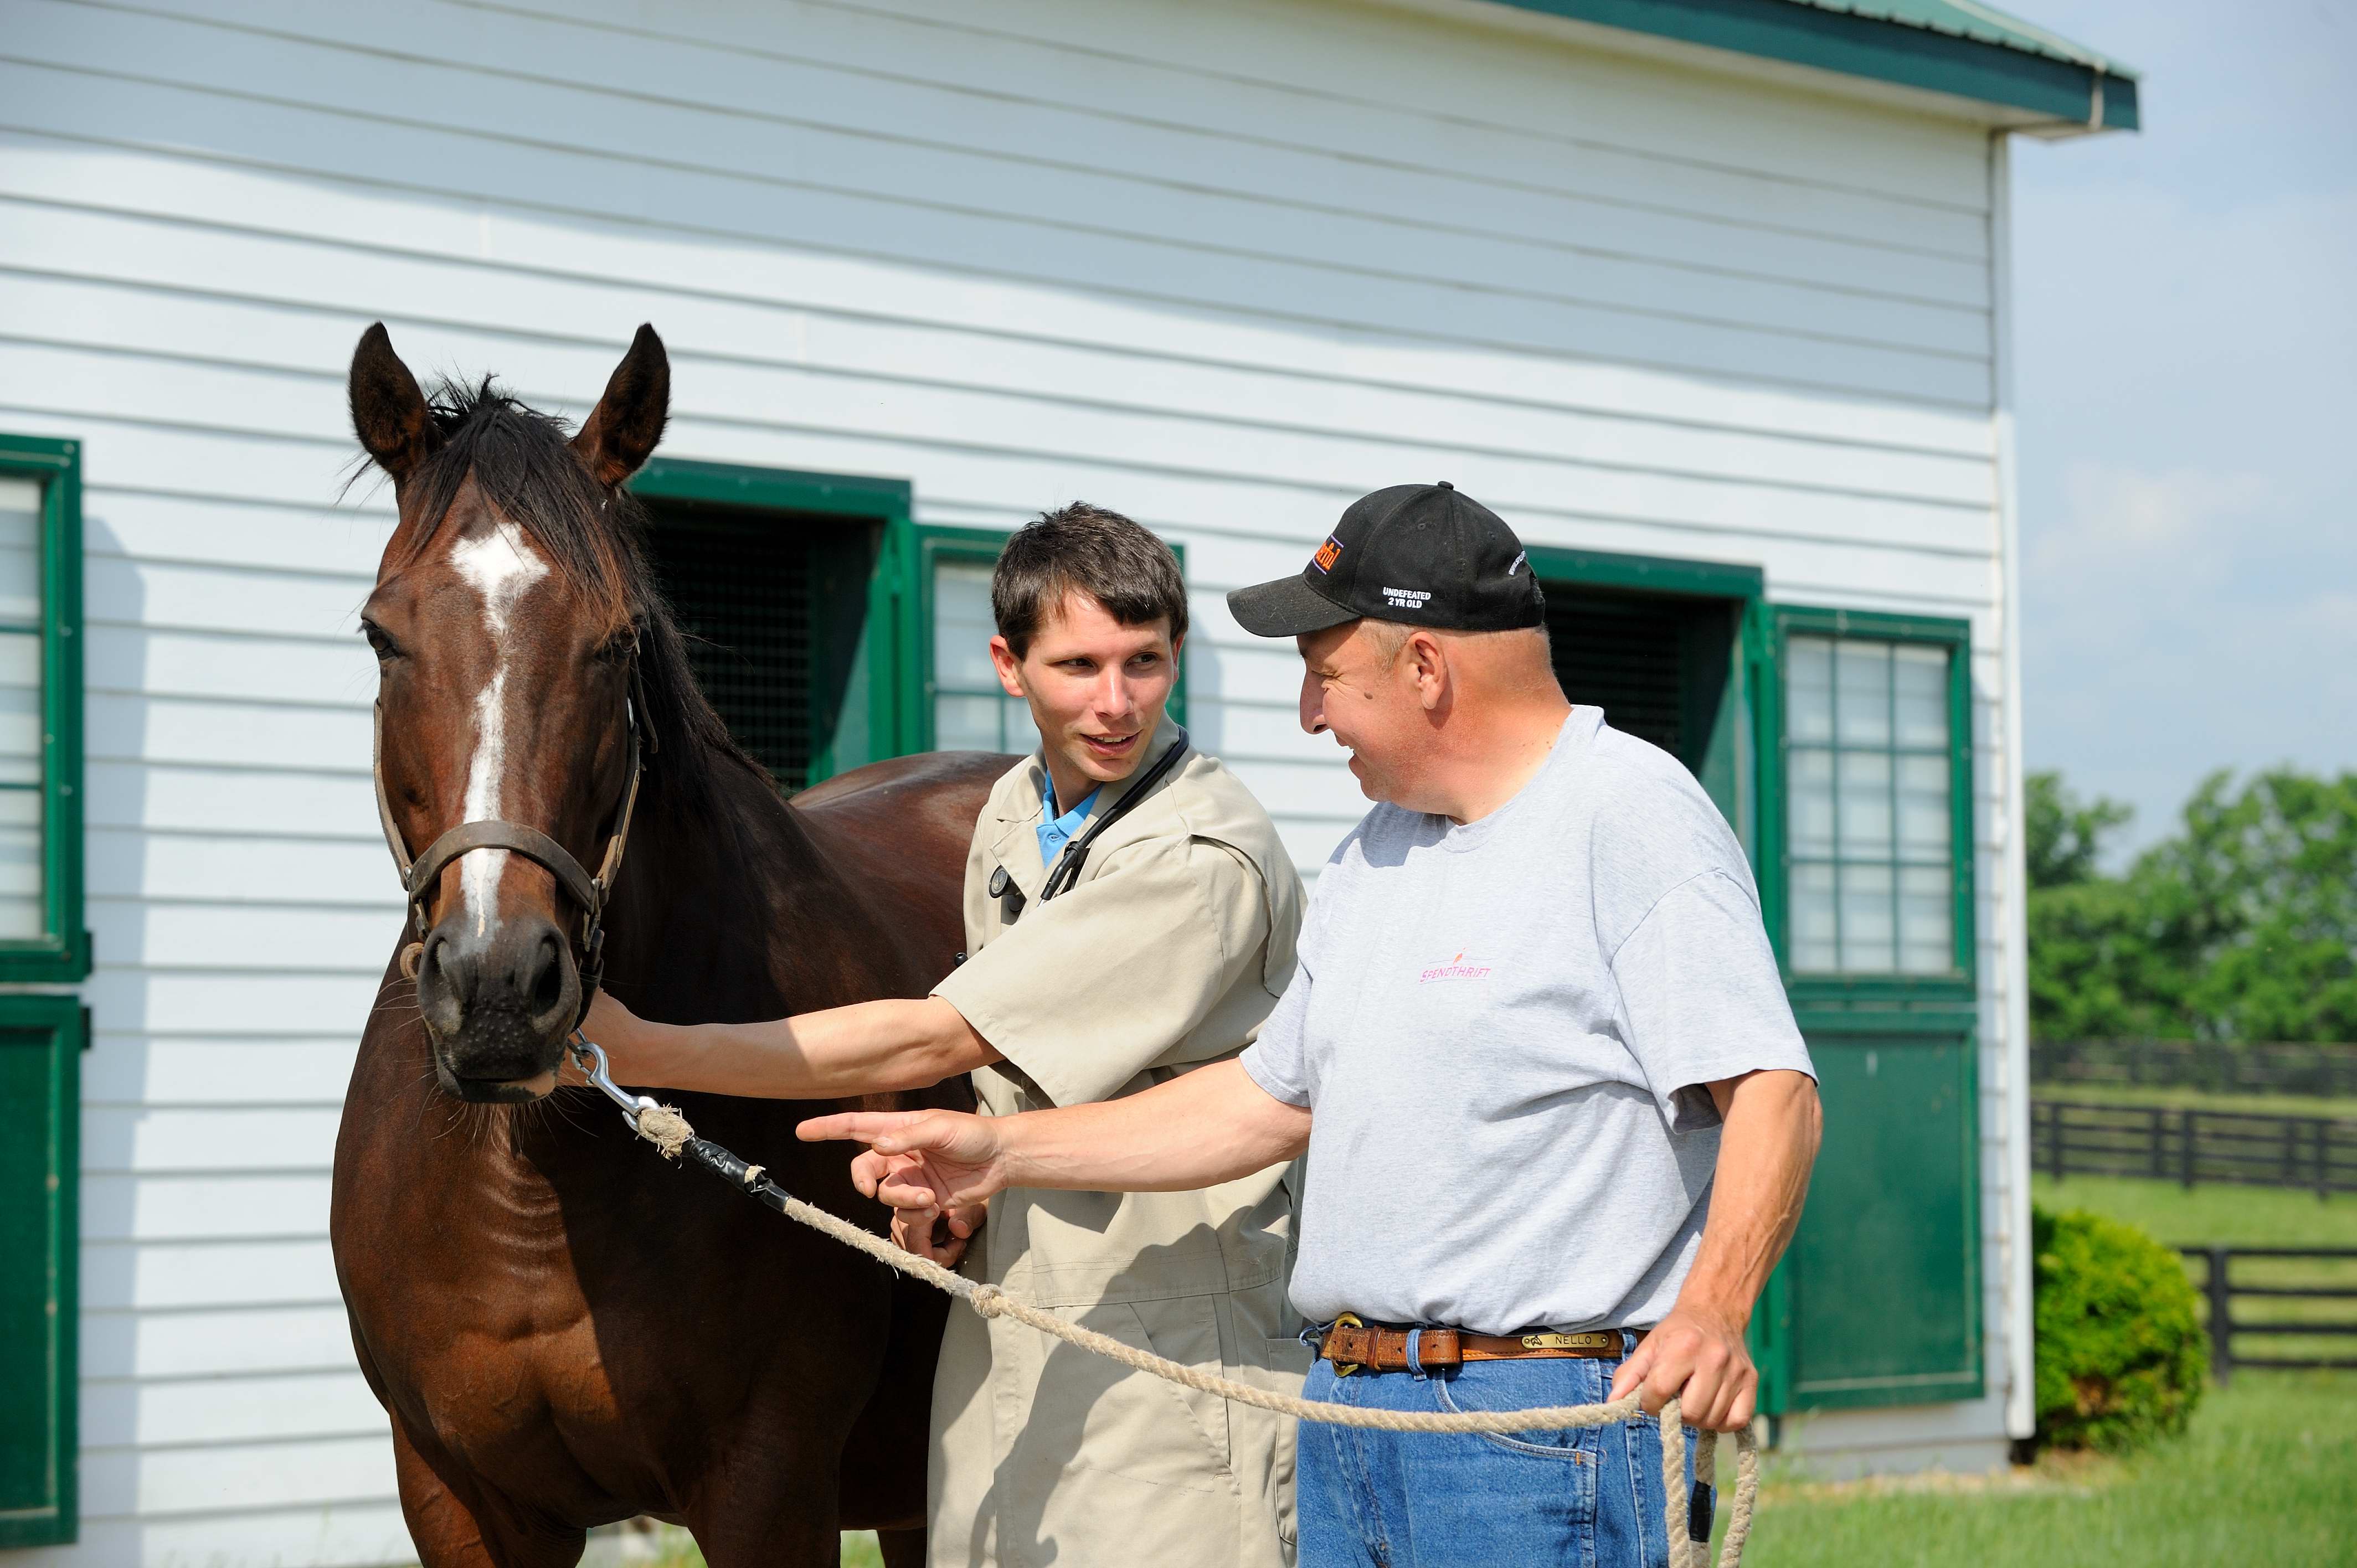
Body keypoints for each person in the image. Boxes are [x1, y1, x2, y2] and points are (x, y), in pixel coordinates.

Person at [804, 483, 1825, 1568]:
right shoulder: (1378, 852)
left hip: (1537, 1430)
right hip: (1347, 1413)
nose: (1308, 714)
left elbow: (1773, 1092)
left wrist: (1714, 1309)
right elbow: (1264, 1100)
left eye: (1324, 674)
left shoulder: (1628, 816)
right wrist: (1002, 1154)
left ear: (1425, 668)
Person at [581, 503, 1309, 1568]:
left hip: (1172, 1332)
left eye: (1144, 663)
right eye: (1078, 666)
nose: (1115, 703)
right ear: (1008, 667)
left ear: (1177, 656)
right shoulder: (1015, 810)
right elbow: (1021, 1081)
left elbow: (939, 1039)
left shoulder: (1198, 856)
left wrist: (639, 1049)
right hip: (1009, 1305)